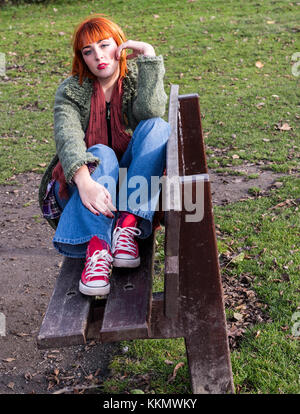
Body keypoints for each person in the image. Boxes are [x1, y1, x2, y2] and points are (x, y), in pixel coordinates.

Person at [39, 14, 170, 297]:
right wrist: (85, 182)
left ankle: (127, 225)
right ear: (82, 58)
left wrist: (148, 57)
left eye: (104, 45)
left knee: (157, 127)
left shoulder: (133, 80)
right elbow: (68, 138)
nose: (98, 56)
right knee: (101, 153)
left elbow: (151, 113)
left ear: (120, 46)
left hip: (131, 187)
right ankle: (98, 251)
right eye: (88, 51)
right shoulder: (71, 91)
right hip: (81, 187)